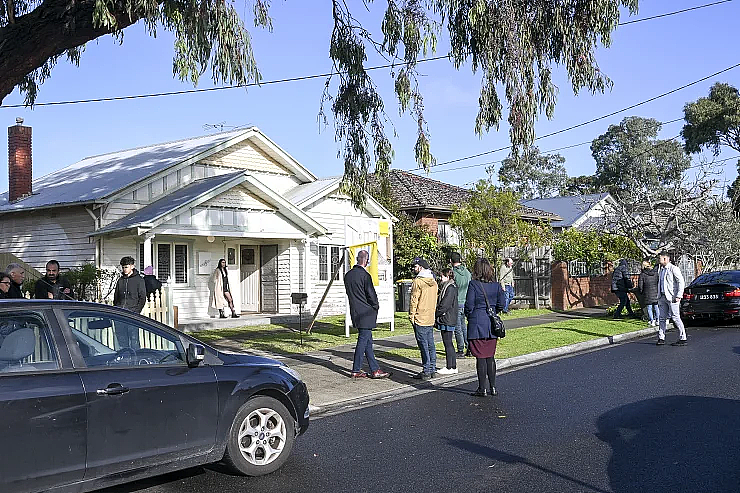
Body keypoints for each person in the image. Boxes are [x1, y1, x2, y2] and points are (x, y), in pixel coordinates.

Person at [344, 250, 391, 379]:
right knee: (363, 341)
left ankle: (375, 369)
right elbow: (371, 295)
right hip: (366, 312)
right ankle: (356, 369)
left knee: (368, 342)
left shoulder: (348, 275)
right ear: (366, 260)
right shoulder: (365, 276)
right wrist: (375, 306)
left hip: (355, 311)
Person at [465, 258, 506, 397]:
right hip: (491, 324)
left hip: (477, 324)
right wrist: (494, 313)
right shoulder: (496, 285)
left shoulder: (473, 284)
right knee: (490, 356)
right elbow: (502, 304)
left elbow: (469, 306)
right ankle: (493, 387)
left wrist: (470, 315)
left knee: (481, 357)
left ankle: (482, 388)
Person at [409, 257, 438, 380]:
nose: (413, 269)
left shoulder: (418, 282)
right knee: (430, 344)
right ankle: (432, 368)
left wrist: (411, 315)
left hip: (420, 317)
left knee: (423, 345)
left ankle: (426, 370)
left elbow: (414, 300)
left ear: (420, 267)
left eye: (415, 267)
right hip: (430, 316)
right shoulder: (433, 281)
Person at [657, 253, 687, 346]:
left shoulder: (673, 269)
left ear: (665, 259)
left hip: (672, 297)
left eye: (660, 258)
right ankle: (661, 337)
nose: (659, 260)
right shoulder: (661, 270)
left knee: (675, 317)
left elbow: (680, 281)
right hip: (662, 297)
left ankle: (683, 337)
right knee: (662, 318)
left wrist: (679, 295)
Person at [436, 268, 458, 375]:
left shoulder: (450, 288)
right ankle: (452, 366)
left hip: (447, 318)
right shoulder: (450, 287)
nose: (441, 278)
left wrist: (437, 313)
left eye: (442, 276)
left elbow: (445, 304)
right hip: (448, 317)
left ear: (448, 277)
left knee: (448, 343)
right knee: (448, 343)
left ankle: (451, 366)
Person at [450, 252, 471, 357]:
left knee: (457, 327)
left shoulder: (453, 273)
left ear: (451, 261)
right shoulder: (467, 272)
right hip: (466, 301)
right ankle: (469, 347)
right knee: (464, 326)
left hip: (457, 302)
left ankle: (460, 349)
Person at [638, 260, 659, 327]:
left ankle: (652, 321)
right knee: (656, 307)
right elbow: (658, 282)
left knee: (649, 308)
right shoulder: (655, 273)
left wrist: (641, 292)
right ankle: (658, 320)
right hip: (655, 292)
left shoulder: (642, 274)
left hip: (647, 293)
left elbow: (640, 285)